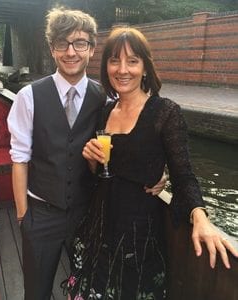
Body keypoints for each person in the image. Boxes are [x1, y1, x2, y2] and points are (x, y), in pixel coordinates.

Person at [63, 27, 238, 300]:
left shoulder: (165, 113)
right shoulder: (105, 110)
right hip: (99, 227)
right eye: (114, 60)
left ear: (145, 67)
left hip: (137, 235)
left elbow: (184, 175)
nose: (123, 69)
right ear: (106, 66)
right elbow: (99, 175)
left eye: (132, 61)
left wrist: (200, 216)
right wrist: (91, 159)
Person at [7, 8, 165, 300]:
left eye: (79, 43)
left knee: (87, 288)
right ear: (51, 48)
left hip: (89, 213)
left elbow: (133, 145)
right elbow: (20, 158)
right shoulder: (28, 97)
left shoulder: (106, 100)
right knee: (36, 291)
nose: (71, 52)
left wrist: (161, 174)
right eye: (62, 43)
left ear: (91, 49)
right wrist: (22, 216)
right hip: (41, 213)